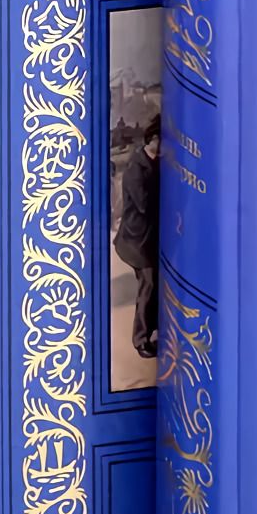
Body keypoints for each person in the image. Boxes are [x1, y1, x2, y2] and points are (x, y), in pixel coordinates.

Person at [114, 114, 161, 359]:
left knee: (152, 286)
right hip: (136, 240)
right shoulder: (136, 168)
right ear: (152, 139)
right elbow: (144, 205)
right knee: (148, 286)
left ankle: (152, 329)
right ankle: (141, 339)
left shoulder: (153, 162)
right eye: (162, 141)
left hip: (146, 238)